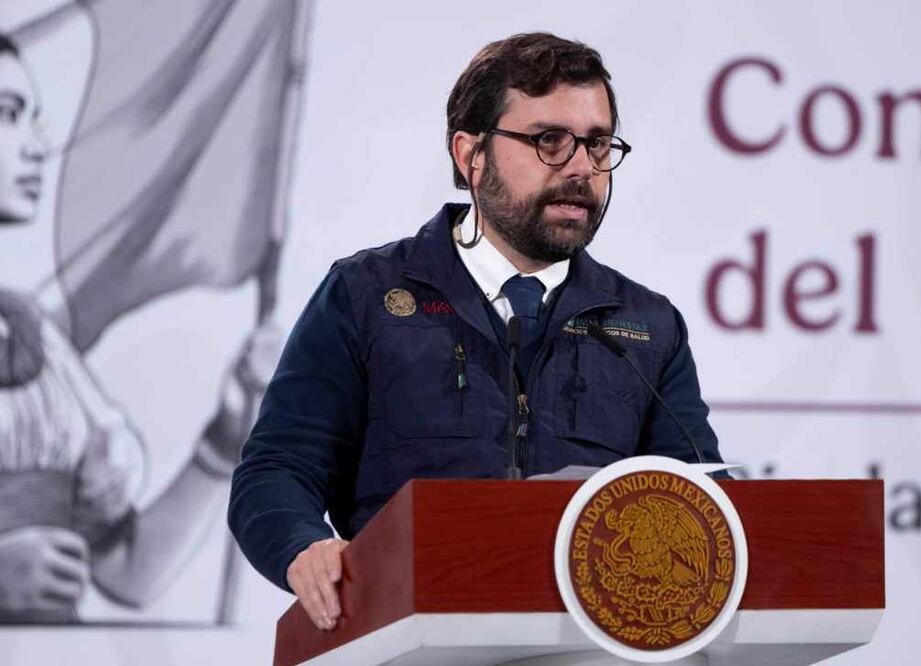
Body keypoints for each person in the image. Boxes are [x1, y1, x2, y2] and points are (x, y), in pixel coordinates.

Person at [229, 32, 723, 632]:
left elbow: (699, 502)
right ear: (471, 154)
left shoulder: (647, 325)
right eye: (550, 141)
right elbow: (277, 470)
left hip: (587, 643)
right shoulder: (367, 295)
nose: (581, 168)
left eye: (597, 144)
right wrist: (303, 548)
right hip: (405, 635)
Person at [0, 32, 279, 622]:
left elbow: (127, 574)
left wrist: (226, 438)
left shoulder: (37, 339)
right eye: (8, 114)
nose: (39, 145)